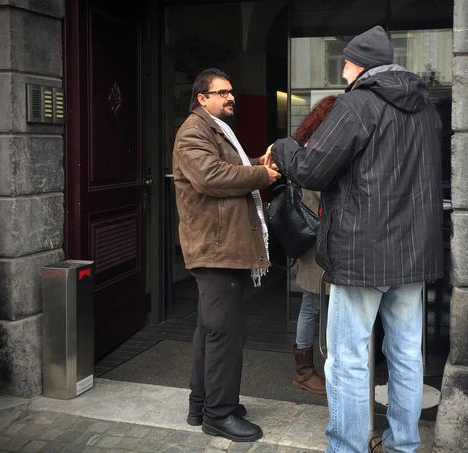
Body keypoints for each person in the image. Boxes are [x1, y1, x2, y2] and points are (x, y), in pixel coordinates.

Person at [268, 26, 443, 452]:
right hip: (413, 254)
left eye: (344, 61)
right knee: (406, 355)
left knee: (346, 358)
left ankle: (346, 446)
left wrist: (282, 146)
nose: (342, 69)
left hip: (362, 254)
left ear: (357, 63)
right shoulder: (426, 111)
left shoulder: (357, 105)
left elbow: (310, 168)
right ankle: (403, 442)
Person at [172, 67, 280, 442]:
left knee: (210, 329)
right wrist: (259, 177)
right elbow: (211, 178)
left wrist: (255, 165)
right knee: (225, 333)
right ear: (202, 97)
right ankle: (219, 414)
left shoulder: (211, 128)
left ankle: (201, 404)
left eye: (231, 91)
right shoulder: (193, 130)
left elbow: (225, 168)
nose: (230, 97)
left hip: (220, 247)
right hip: (216, 249)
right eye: (223, 92)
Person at [290, 96, 338, 396]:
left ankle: (310, 369)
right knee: (314, 305)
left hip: (315, 238)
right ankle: (305, 372)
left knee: (315, 305)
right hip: (319, 239)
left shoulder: (306, 146)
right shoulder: (317, 151)